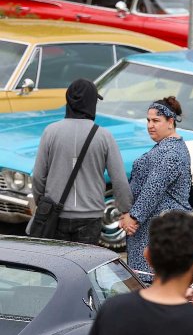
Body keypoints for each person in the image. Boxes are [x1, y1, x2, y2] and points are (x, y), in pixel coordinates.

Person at [31, 79, 131, 244]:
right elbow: (119, 179)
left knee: (56, 264)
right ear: (92, 103)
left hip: (56, 214)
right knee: (82, 267)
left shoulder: (50, 132)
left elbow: (38, 176)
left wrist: (42, 203)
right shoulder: (104, 136)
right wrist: (125, 210)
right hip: (90, 217)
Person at [119, 97, 191, 282]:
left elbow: (154, 188)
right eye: (148, 121)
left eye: (156, 121)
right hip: (149, 229)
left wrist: (133, 217)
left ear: (170, 122)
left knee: (153, 282)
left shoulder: (172, 151)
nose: (150, 125)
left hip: (159, 230)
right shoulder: (164, 147)